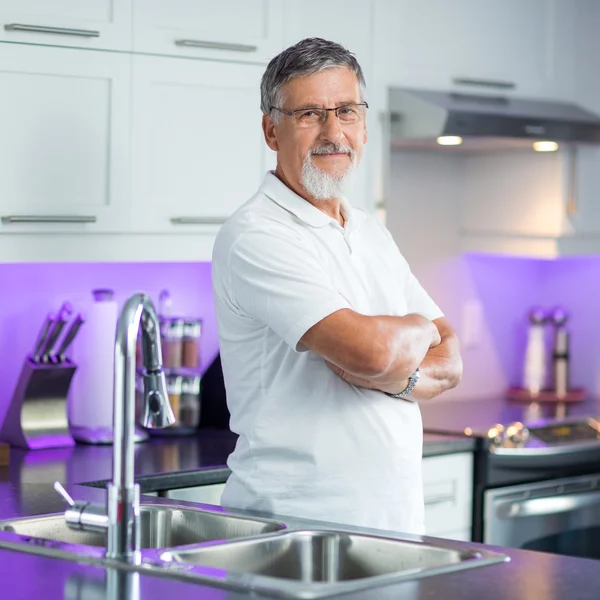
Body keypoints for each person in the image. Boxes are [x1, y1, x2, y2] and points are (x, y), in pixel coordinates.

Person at [212, 38, 462, 535]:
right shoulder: (257, 234)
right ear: (270, 130)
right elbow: (368, 352)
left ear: (364, 125)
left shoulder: (370, 230)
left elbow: (451, 359)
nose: (333, 132)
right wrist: (413, 332)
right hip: (292, 528)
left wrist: (398, 375)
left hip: (391, 526)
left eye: (346, 110)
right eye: (309, 113)